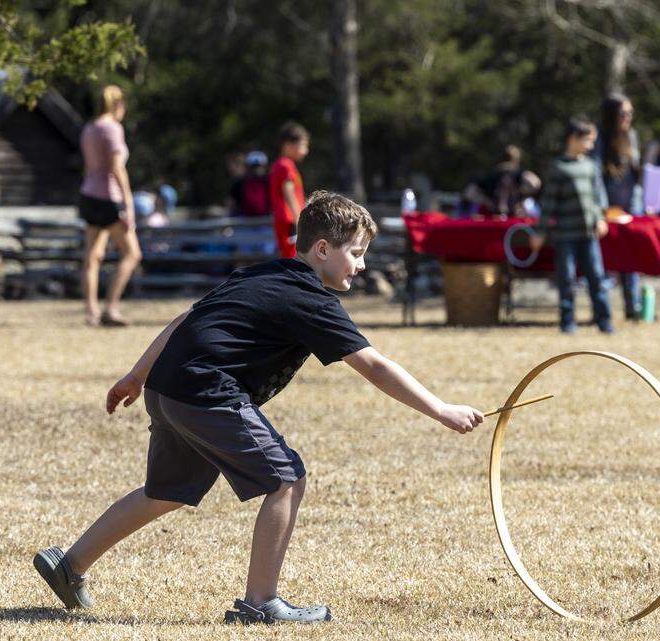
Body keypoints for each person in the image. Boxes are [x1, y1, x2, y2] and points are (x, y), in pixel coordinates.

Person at [31, 191, 486, 624]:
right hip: (208, 391)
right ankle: (261, 602)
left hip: (169, 386)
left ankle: (69, 565)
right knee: (287, 479)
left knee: (165, 492)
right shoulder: (311, 298)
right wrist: (441, 409)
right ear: (323, 249)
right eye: (357, 252)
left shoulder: (261, 273)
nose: (363, 264)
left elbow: (187, 318)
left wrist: (138, 375)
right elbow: (374, 366)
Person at [535, 117, 614, 334]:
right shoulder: (558, 168)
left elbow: (598, 197)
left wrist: (600, 218)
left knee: (596, 277)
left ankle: (604, 320)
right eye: (588, 140)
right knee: (567, 278)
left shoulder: (590, 166)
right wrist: (540, 231)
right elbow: (548, 203)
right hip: (565, 234)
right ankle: (568, 322)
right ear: (573, 139)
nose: (591, 145)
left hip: (588, 234)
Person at [79, 85, 142, 326]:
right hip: (109, 197)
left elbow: (88, 167)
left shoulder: (89, 128)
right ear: (118, 105)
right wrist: (127, 202)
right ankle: (111, 307)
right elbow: (117, 168)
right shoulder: (113, 129)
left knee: (92, 256)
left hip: (88, 194)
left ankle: (91, 311)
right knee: (132, 253)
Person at [595, 94, 642, 320]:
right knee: (602, 262)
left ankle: (633, 307)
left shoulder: (631, 137)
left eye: (631, 113)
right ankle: (602, 312)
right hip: (605, 210)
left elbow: (635, 175)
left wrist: (636, 207)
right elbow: (595, 177)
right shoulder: (599, 140)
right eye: (623, 113)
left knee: (630, 259)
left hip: (629, 208)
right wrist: (603, 209)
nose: (628, 118)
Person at [462, 146, 541, 219]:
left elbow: (469, 193)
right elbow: (535, 183)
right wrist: (522, 196)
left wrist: (487, 202)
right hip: (512, 217)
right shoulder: (518, 173)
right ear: (516, 160)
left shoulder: (491, 174)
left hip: (493, 217)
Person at [268, 123, 309, 259]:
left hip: (283, 219)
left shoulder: (279, 164)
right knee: (294, 258)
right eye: (303, 145)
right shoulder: (286, 165)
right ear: (289, 145)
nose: (305, 151)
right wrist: (299, 220)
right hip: (290, 220)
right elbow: (289, 193)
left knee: (288, 256)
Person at [230, 151, 270, 217]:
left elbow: (232, 204)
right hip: (252, 221)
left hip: (247, 222)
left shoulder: (240, 181)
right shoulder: (240, 182)